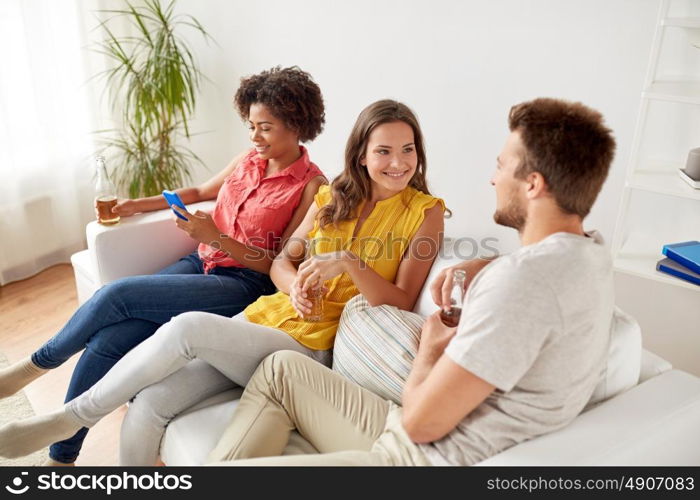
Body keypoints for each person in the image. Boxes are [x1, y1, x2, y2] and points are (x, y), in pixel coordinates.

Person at [0, 99, 446, 464]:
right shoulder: (334, 196)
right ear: (362, 154)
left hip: (312, 346)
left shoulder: (424, 212)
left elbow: (403, 300)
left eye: (408, 149)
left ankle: (71, 417)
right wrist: (297, 287)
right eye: (384, 150)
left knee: (188, 326)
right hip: (264, 320)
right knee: (151, 402)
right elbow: (279, 265)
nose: (398, 162)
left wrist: (348, 261)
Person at [198, 97, 616, 466]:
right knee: (278, 369)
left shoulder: (519, 285)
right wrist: (485, 262)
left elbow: (419, 424)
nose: (492, 179)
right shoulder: (591, 256)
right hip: (412, 430)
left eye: (501, 165)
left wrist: (429, 351)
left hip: (414, 455)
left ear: (532, 184)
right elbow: (537, 274)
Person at [0, 66, 327, 465]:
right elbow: (202, 191)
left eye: (265, 128)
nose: (254, 137)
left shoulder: (312, 186)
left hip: (243, 283)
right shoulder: (248, 159)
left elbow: (276, 265)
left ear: (296, 125)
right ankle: (62, 458)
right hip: (200, 262)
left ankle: (34, 366)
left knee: (116, 295)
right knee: (109, 341)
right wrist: (140, 204)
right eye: (251, 126)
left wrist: (217, 238)